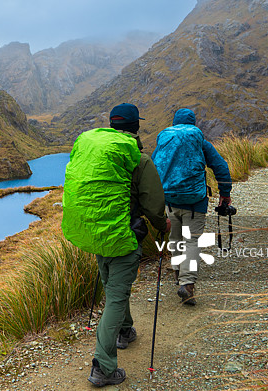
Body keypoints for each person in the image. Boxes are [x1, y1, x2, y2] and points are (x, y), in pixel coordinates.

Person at [63, 103, 170, 387]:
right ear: (136, 127)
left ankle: (125, 330)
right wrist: (163, 226)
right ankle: (103, 366)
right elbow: (153, 205)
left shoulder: (100, 154)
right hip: (124, 238)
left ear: (112, 125)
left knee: (114, 288)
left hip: (98, 235)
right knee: (116, 297)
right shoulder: (138, 158)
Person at [151, 108, 232, 306]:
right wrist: (225, 193)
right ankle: (187, 285)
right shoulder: (199, 142)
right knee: (192, 240)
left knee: (176, 238)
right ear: (193, 123)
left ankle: (179, 274)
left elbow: (153, 166)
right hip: (195, 202)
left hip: (170, 200)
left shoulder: (165, 141)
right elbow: (220, 165)